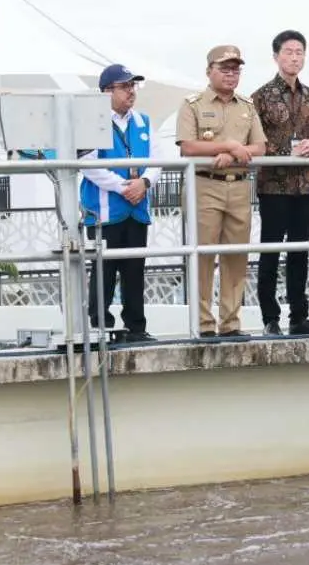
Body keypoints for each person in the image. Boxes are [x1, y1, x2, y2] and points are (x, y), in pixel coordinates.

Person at [175, 45, 268, 338]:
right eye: (224, 69)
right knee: (203, 255)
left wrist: (236, 154)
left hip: (238, 187)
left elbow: (260, 148)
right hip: (205, 184)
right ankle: (204, 324)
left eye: (235, 69)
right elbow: (188, 146)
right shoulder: (192, 104)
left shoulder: (247, 106)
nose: (231, 75)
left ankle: (230, 322)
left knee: (236, 256)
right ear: (209, 71)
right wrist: (229, 146)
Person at [251, 30, 309, 336]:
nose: (294, 57)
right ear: (276, 57)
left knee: (300, 251)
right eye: (289, 52)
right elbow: (255, 142)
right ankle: (270, 317)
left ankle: (299, 316)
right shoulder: (261, 96)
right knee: (270, 250)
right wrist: (287, 152)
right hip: (273, 186)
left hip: (305, 185)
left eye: (299, 52)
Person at [81, 64, 157, 343]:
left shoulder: (143, 122)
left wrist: (145, 183)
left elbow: (157, 161)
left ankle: (136, 327)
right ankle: (100, 326)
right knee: (104, 271)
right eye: (124, 86)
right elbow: (88, 164)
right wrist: (123, 186)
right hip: (104, 211)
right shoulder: (92, 121)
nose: (131, 92)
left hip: (136, 210)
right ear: (106, 91)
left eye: (132, 86)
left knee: (135, 269)